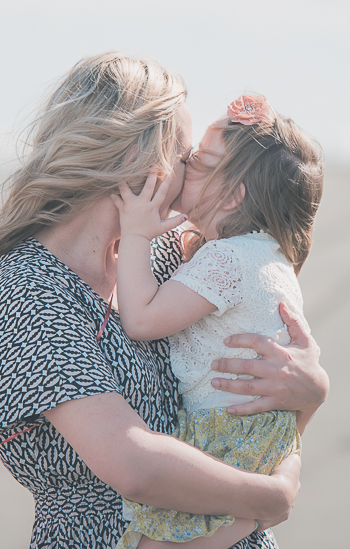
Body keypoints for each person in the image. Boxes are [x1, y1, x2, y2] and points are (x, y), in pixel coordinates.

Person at [0, 53, 329, 548]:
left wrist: (312, 390)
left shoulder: (169, 254)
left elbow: (248, 399)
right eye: (185, 156)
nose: (191, 169)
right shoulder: (28, 292)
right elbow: (133, 465)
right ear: (139, 158)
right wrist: (270, 499)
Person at [112, 94, 324, 549]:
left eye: (200, 162)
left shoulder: (226, 259)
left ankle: (246, 520)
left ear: (232, 197)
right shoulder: (267, 254)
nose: (183, 166)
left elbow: (142, 319)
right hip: (262, 433)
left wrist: (133, 235)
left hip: (225, 433)